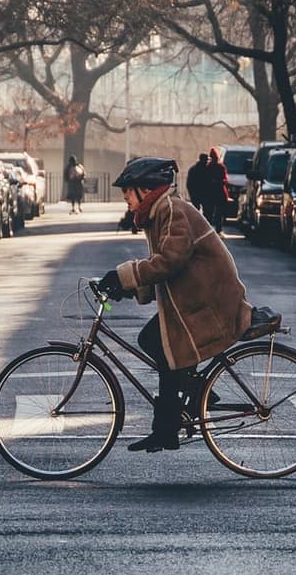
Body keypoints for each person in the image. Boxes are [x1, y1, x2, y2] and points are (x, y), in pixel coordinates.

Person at [95, 153, 254, 452]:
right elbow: (161, 267)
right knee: (157, 343)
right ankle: (183, 407)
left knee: (162, 347)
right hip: (194, 301)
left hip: (209, 304)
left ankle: (172, 422)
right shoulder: (159, 213)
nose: (125, 198)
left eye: (128, 191)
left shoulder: (172, 210)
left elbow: (169, 262)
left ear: (146, 188)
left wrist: (123, 276)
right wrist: (128, 287)